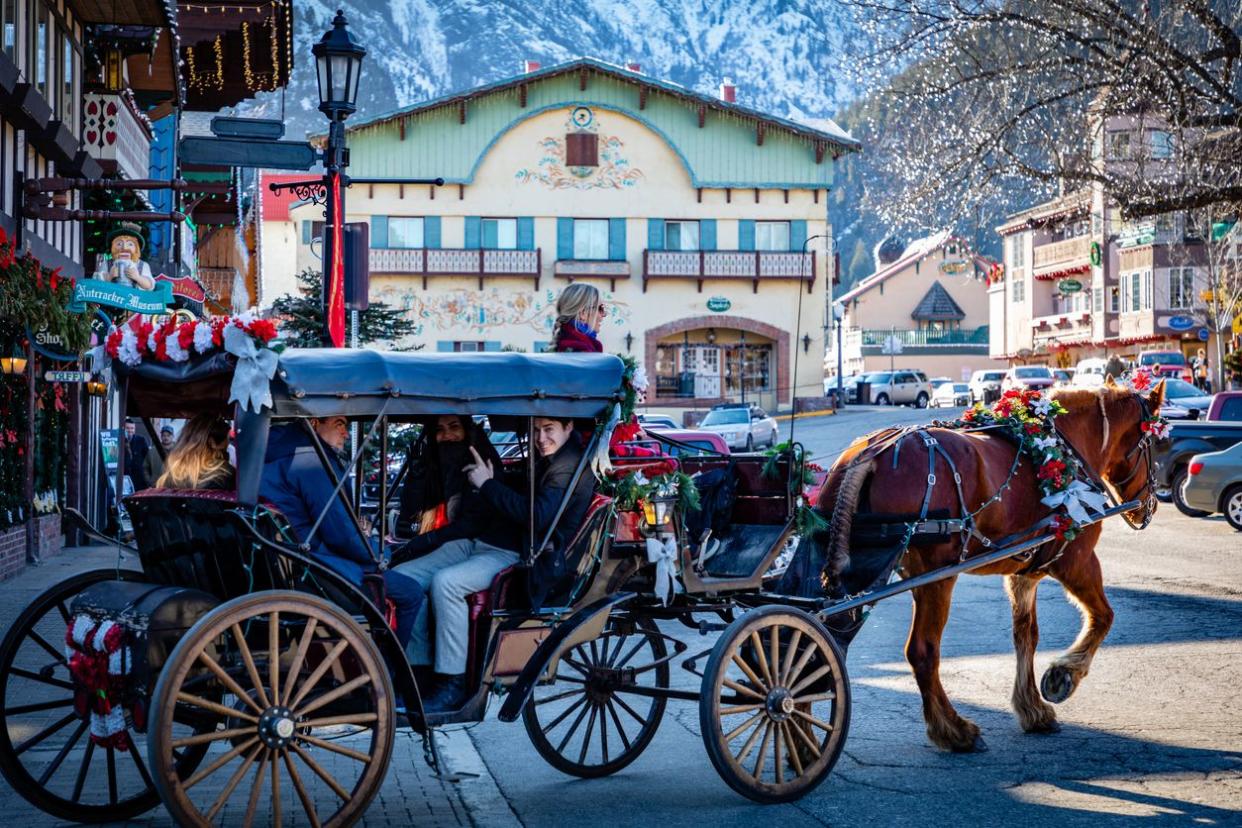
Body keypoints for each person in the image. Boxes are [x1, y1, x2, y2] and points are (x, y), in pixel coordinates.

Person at [393, 416, 596, 712]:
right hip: (481, 542)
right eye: (536, 430)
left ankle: (452, 683)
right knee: (403, 579)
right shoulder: (547, 459)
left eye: (548, 429)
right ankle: (418, 670)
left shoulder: (567, 468)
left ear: (568, 427)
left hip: (514, 553)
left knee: (446, 584)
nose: (540, 438)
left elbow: (538, 516)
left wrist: (488, 484)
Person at [261, 415, 423, 649]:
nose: (346, 434)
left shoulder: (273, 456)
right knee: (411, 591)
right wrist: (380, 553)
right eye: (339, 424)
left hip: (288, 557)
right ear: (314, 423)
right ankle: (391, 673)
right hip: (315, 565)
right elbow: (340, 533)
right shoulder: (310, 461)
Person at [396, 415, 502, 539]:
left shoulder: (483, 465)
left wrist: (430, 540)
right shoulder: (431, 462)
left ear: (466, 430)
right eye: (439, 430)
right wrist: (416, 480)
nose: (447, 435)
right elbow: (410, 514)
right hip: (434, 537)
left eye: (454, 427)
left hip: (473, 544)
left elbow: (475, 522)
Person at [155, 415, 235, 490]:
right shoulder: (225, 473)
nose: (227, 448)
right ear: (212, 443)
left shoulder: (171, 472)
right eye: (225, 447)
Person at [551, 283, 606, 353]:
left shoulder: (561, 343)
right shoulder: (581, 349)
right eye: (600, 309)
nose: (603, 314)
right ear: (583, 313)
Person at [123, 419, 151, 491]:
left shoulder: (141, 440)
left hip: (139, 480)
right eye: (127, 428)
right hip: (124, 479)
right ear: (123, 428)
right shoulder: (119, 441)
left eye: (132, 428)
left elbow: (148, 458)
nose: (130, 430)